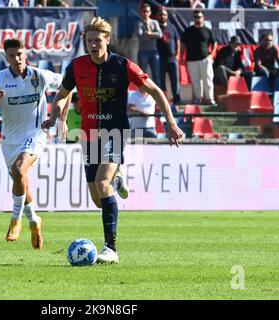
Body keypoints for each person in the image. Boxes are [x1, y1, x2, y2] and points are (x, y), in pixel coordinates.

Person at [42, 17, 183, 264]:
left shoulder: (123, 65)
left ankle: (111, 249)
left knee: (103, 183)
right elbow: (63, 95)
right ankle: (117, 176)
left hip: (115, 132)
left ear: (107, 40)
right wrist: (54, 116)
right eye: (89, 41)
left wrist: (170, 123)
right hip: (87, 135)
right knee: (98, 198)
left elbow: (156, 91)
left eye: (98, 40)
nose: (93, 45)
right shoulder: (76, 66)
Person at [0, 38, 68, 250]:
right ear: (6, 57)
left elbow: (67, 85)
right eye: (11, 55)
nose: (16, 59)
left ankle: (15, 219)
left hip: (35, 136)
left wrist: (58, 117)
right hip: (9, 141)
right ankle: (34, 221)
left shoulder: (39, 75)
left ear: (25, 54)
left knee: (19, 170)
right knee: (21, 181)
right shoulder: (0, 80)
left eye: (19, 54)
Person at [180, 10, 217, 105]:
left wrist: (211, 55)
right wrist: (182, 56)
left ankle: (210, 98)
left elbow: (214, 43)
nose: (197, 19)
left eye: (199, 17)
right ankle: (197, 98)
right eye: (195, 17)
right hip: (191, 60)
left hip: (205, 59)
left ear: (203, 18)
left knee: (207, 79)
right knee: (195, 81)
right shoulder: (188, 31)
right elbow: (183, 44)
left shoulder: (207, 30)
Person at [156, 7, 181, 104]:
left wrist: (178, 53)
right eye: (161, 14)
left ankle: (176, 98)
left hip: (172, 58)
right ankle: (164, 99)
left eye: (164, 14)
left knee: (175, 80)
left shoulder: (172, 26)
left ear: (167, 16)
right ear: (158, 16)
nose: (163, 16)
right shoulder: (156, 27)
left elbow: (177, 40)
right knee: (161, 81)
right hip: (160, 59)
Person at [135, 3, 162, 88]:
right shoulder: (138, 23)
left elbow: (160, 34)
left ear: (150, 12)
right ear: (141, 12)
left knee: (156, 75)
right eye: (144, 11)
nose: (145, 13)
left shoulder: (154, 22)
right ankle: (143, 94)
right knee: (142, 75)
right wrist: (152, 36)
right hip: (143, 52)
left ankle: (158, 97)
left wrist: (149, 34)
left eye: (147, 11)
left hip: (154, 52)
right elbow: (139, 37)